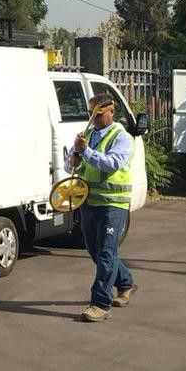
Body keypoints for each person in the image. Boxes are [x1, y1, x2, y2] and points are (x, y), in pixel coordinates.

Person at [67, 93, 136, 323]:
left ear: (111, 112)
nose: (93, 119)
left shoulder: (122, 137)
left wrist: (85, 152)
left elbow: (112, 163)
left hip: (113, 204)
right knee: (96, 252)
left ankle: (100, 303)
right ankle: (126, 283)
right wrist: (73, 158)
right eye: (90, 114)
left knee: (106, 253)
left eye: (97, 114)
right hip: (89, 202)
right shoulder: (86, 134)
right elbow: (71, 164)